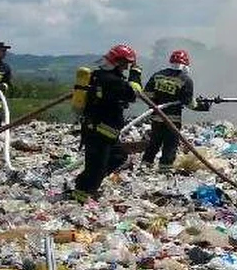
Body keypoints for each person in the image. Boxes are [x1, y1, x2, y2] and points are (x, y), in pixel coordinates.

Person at [72, 44, 142, 202]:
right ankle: (79, 197)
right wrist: (136, 74)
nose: (126, 67)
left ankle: (85, 185)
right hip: (98, 132)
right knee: (95, 169)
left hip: (106, 132)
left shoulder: (100, 75)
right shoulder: (111, 80)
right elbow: (133, 93)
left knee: (119, 156)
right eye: (125, 64)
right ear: (117, 62)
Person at [141, 49, 211, 171]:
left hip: (157, 117)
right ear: (186, 64)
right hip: (172, 120)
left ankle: (145, 165)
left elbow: (147, 94)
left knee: (154, 142)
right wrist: (204, 106)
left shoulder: (158, 75)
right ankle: (165, 170)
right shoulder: (185, 80)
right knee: (170, 145)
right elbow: (189, 103)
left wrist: (156, 105)